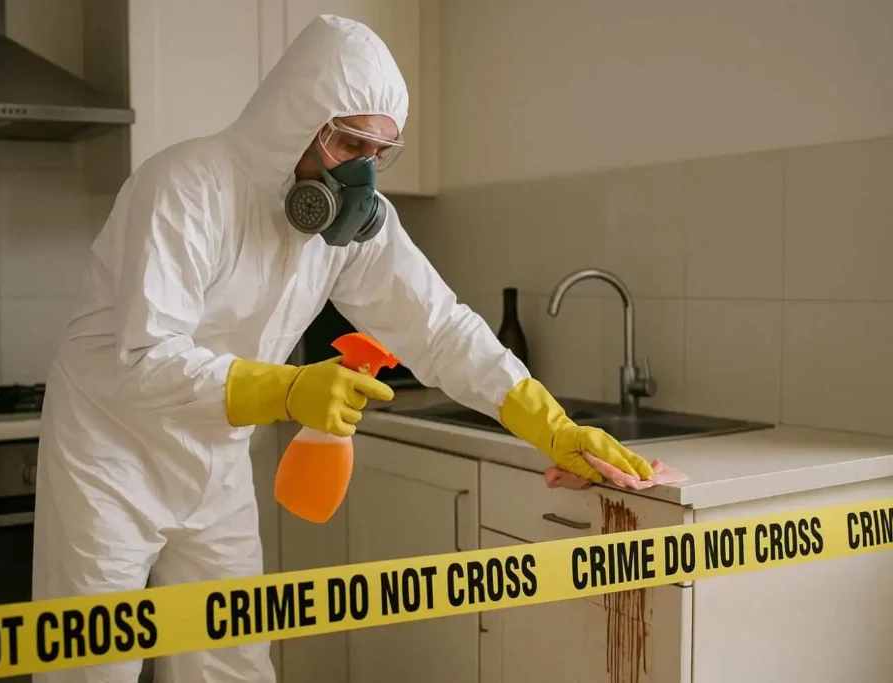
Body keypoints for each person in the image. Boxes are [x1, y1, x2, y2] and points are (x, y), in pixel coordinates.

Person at [32, 13, 653, 683]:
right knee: (90, 669)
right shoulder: (186, 186)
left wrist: (549, 423)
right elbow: (141, 357)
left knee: (232, 664)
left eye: (378, 153)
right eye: (350, 144)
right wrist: (288, 389)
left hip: (214, 454)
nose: (363, 173)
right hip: (109, 457)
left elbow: (438, 325)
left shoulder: (350, 230)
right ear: (297, 120)